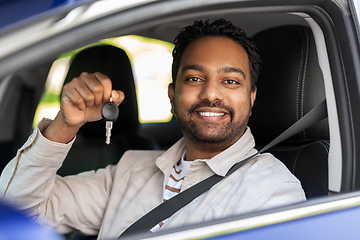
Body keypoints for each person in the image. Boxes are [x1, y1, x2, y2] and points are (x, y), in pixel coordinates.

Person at [0, 19, 306, 239]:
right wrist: (64, 125)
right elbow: (16, 212)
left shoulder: (274, 193)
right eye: (194, 78)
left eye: (230, 81)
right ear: (172, 96)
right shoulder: (131, 170)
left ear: (251, 98)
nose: (211, 94)